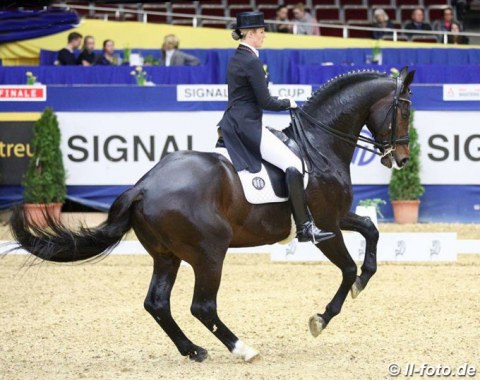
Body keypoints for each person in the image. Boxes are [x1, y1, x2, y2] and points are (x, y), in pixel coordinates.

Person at [216, 11, 334, 243]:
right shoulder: (251, 61)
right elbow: (265, 102)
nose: (264, 36)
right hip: (247, 126)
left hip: (235, 122)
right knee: (293, 164)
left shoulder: (238, 57)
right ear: (249, 34)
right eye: (261, 32)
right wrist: (288, 103)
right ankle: (304, 227)